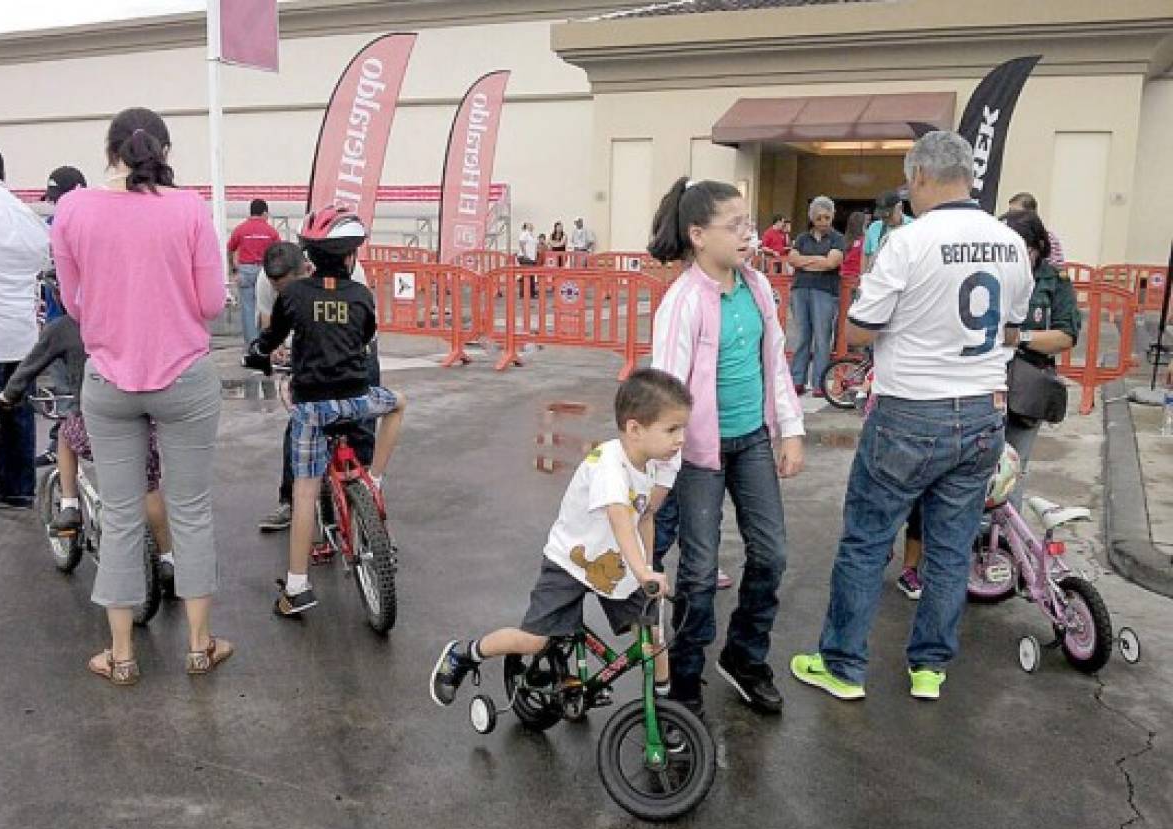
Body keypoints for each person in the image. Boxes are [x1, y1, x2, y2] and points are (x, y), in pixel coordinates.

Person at [790, 130, 1033, 703]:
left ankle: (843, 665)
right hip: (981, 411)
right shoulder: (1008, 242)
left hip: (909, 410)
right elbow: (1014, 329)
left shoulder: (908, 241)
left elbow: (860, 328)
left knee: (867, 541)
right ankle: (929, 668)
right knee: (950, 548)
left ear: (921, 177)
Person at [52, 106, 232, 685]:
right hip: (185, 377)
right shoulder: (190, 208)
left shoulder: (73, 209)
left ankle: (122, 654)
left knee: (124, 515)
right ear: (165, 151)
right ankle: (201, 647)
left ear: (109, 150)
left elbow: (74, 304)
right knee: (191, 511)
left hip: (108, 379)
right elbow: (209, 303)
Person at [429, 368, 686, 708]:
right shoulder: (610, 467)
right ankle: (465, 654)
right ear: (635, 429)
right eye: (672, 429)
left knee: (653, 636)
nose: (681, 438)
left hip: (617, 563)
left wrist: (648, 566)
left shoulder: (649, 461)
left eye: (682, 428)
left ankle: (666, 710)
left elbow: (644, 516)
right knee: (535, 640)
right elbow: (620, 516)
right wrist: (642, 571)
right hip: (571, 560)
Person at [650, 177, 806, 718]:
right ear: (698, 235)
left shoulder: (759, 288)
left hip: (753, 442)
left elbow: (776, 366)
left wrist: (791, 430)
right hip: (698, 456)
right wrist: (659, 473)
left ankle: (743, 656)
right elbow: (665, 393)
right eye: (734, 226)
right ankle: (686, 680)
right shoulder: (683, 301)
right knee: (697, 572)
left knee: (772, 554)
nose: (748, 234)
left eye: (749, 223)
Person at [243, 206, 406, 618]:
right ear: (350, 256)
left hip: (313, 407)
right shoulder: (361, 295)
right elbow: (365, 337)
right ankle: (375, 480)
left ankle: (297, 587)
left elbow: (271, 337)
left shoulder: (293, 296)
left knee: (304, 494)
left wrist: (259, 352)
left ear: (308, 257)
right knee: (399, 403)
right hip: (358, 399)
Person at [0, 285, 178, 595]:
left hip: (93, 420)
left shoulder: (65, 327)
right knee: (148, 487)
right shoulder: (130, 318)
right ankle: (167, 558)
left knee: (66, 435)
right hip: (140, 416)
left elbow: (28, 367)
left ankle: (69, 505)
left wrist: (7, 395)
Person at [255, 243, 381, 533]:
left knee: (361, 420)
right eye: (280, 290)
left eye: (290, 288)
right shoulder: (267, 279)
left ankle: (363, 494)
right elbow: (269, 323)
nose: (284, 294)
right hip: (303, 344)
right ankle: (290, 500)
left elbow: (361, 329)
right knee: (299, 425)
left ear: (308, 270)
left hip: (352, 346)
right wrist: (275, 352)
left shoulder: (352, 275)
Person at [0, 142, 50, 511]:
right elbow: (43, 257)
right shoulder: (25, 214)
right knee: (17, 416)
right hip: (22, 340)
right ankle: (16, 490)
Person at [1000, 209, 1079, 507]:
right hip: (982, 381)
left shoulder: (1054, 280)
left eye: (1020, 249)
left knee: (1013, 465)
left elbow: (1066, 335)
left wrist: (1020, 337)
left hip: (1026, 384)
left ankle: (1005, 537)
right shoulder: (986, 273)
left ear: (1037, 248)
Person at [34, 165, 88, 469]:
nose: (56, 205)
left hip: (68, 322)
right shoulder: (51, 225)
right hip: (65, 320)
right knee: (69, 390)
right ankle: (67, 443)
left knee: (67, 392)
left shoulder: (58, 226)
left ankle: (64, 447)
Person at [788, 196, 845, 397]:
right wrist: (818, 261)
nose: (823, 222)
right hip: (800, 288)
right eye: (819, 217)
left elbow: (832, 263)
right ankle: (797, 380)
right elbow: (792, 259)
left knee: (822, 337)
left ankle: (820, 382)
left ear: (832, 217)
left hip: (825, 290)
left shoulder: (837, 238)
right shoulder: (802, 237)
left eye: (827, 217)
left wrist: (806, 262)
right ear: (812, 218)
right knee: (802, 336)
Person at [228, 198, 281, 344]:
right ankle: (266, 343)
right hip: (265, 272)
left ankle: (251, 345)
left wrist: (234, 270)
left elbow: (230, 248)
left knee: (248, 309)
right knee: (267, 306)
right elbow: (279, 253)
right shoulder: (271, 231)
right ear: (264, 213)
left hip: (245, 271)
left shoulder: (240, 229)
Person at [861, 190, 913, 274]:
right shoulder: (874, 228)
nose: (885, 220)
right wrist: (863, 278)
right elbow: (866, 254)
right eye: (882, 217)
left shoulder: (913, 226)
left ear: (899, 207)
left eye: (888, 216)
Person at [1007, 192, 1065, 266]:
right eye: (1010, 211)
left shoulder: (1049, 238)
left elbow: (1057, 268)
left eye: (1015, 212)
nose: (1010, 216)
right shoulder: (1009, 235)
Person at [841, 211, 867, 280]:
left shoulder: (843, 240)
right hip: (857, 278)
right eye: (866, 225)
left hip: (842, 277)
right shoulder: (865, 241)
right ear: (862, 225)